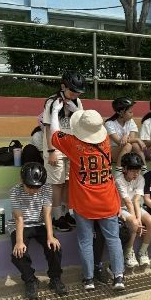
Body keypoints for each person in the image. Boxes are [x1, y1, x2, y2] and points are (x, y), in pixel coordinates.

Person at [49, 100, 126, 291]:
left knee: (85, 241)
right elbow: (89, 126)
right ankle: (118, 277)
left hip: (84, 203)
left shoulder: (73, 144)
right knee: (113, 239)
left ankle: (88, 279)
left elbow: (54, 134)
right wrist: (79, 112)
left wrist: (55, 111)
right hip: (108, 201)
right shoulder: (105, 140)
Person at [7, 162, 65, 300]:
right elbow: (19, 218)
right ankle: (30, 280)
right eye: (30, 186)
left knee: (55, 247)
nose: (33, 190)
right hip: (21, 225)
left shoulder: (46, 189)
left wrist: (50, 236)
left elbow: (47, 214)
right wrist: (19, 242)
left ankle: (55, 278)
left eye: (37, 187)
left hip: (40, 224)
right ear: (22, 180)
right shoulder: (15, 191)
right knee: (18, 254)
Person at [42, 71, 85, 232]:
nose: (75, 94)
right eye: (72, 91)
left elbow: (82, 123)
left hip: (71, 148)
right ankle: (56, 216)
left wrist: (76, 110)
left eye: (78, 92)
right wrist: (51, 150)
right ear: (63, 86)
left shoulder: (77, 101)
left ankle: (66, 213)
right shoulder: (52, 102)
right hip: (56, 149)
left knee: (68, 182)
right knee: (57, 184)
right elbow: (48, 128)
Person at [115, 151, 151, 268]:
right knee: (134, 223)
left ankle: (143, 251)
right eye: (133, 171)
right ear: (124, 169)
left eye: (138, 170)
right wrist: (136, 221)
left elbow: (136, 200)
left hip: (135, 206)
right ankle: (129, 252)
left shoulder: (140, 178)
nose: (136, 173)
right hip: (121, 208)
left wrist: (139, 220)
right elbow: (127, 202)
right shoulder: (119, 180)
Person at [105, 97, 146, 171]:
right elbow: (120, 142)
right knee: (128, 145)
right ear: (120, 112)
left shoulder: (131, 121)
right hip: (114, 153)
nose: (132, 114)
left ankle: (144, 168)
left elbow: (132, 139)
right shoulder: (109, 124)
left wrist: (126, 136)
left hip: (128, 152)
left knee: (135, 145)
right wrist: (137, 139)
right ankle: (118, 170)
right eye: (130, 112)